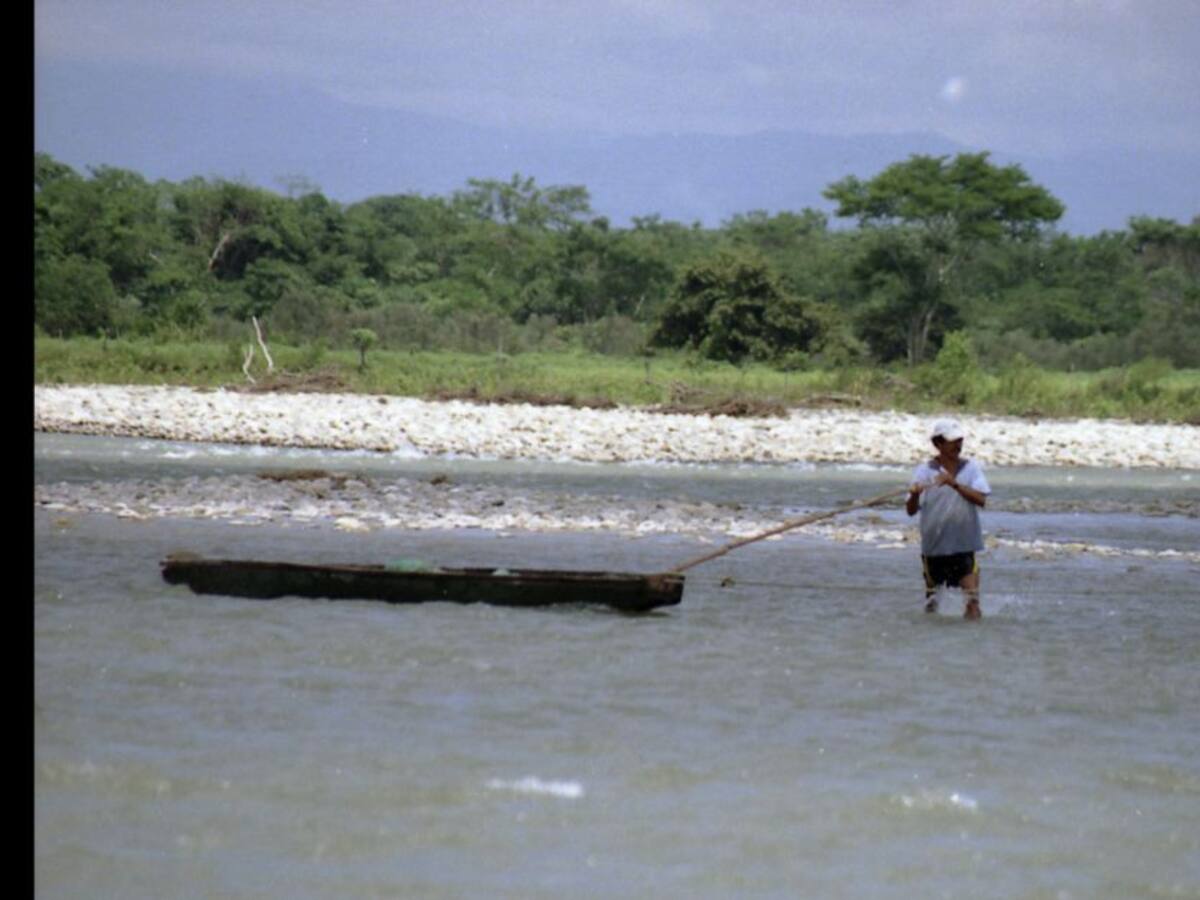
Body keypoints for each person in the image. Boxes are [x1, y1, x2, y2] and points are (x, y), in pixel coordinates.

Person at [906, 418, 991, 619]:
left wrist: (954, 484)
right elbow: (911, 510)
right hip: (934, 548)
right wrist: (916, 494)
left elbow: (981, 499)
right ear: (938, 444)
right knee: (932, 604)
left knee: (972, 601)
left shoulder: (971, 468)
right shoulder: (924, 471)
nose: (958, 445)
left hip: (964, 545)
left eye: (959, 440)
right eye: (952, 441)